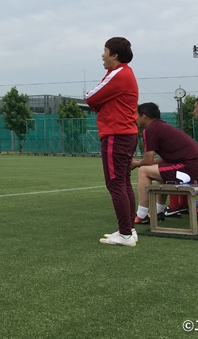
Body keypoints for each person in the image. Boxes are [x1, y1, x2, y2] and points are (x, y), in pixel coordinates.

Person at [85, 37, 138, 247]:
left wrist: (100, 103)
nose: (102, 55)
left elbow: (90, 97)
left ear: (114, 55)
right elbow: (99, 100)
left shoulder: (118, 73)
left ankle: (125, 234)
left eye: (105, 50)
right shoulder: (123, 74)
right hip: (126, 134)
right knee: (123, 182)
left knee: (115, 183)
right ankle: (130, 230)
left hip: (116, 135)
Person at [131, 103, 198, 224]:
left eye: (136, 115)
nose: (135, 118)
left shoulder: (150, 129)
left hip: (191, 169)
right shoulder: (162, 127)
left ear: (144, 116)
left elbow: (148, 161)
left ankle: (141, 215)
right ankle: (159, 211)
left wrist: (135, 163)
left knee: (143, 170)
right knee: (159, 170)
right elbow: (159, 161)